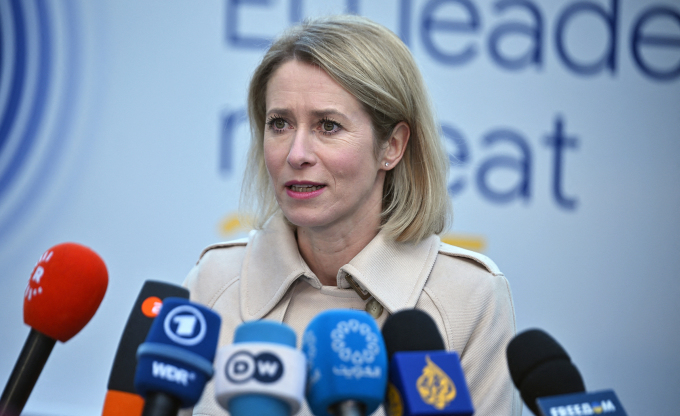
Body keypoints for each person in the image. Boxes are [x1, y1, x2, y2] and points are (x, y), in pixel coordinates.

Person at [182, 15, 520, 416]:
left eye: (328, 126)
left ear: (392, 146)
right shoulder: (213, 281)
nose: (296, 154)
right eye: (280, 124)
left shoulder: (470, 297)